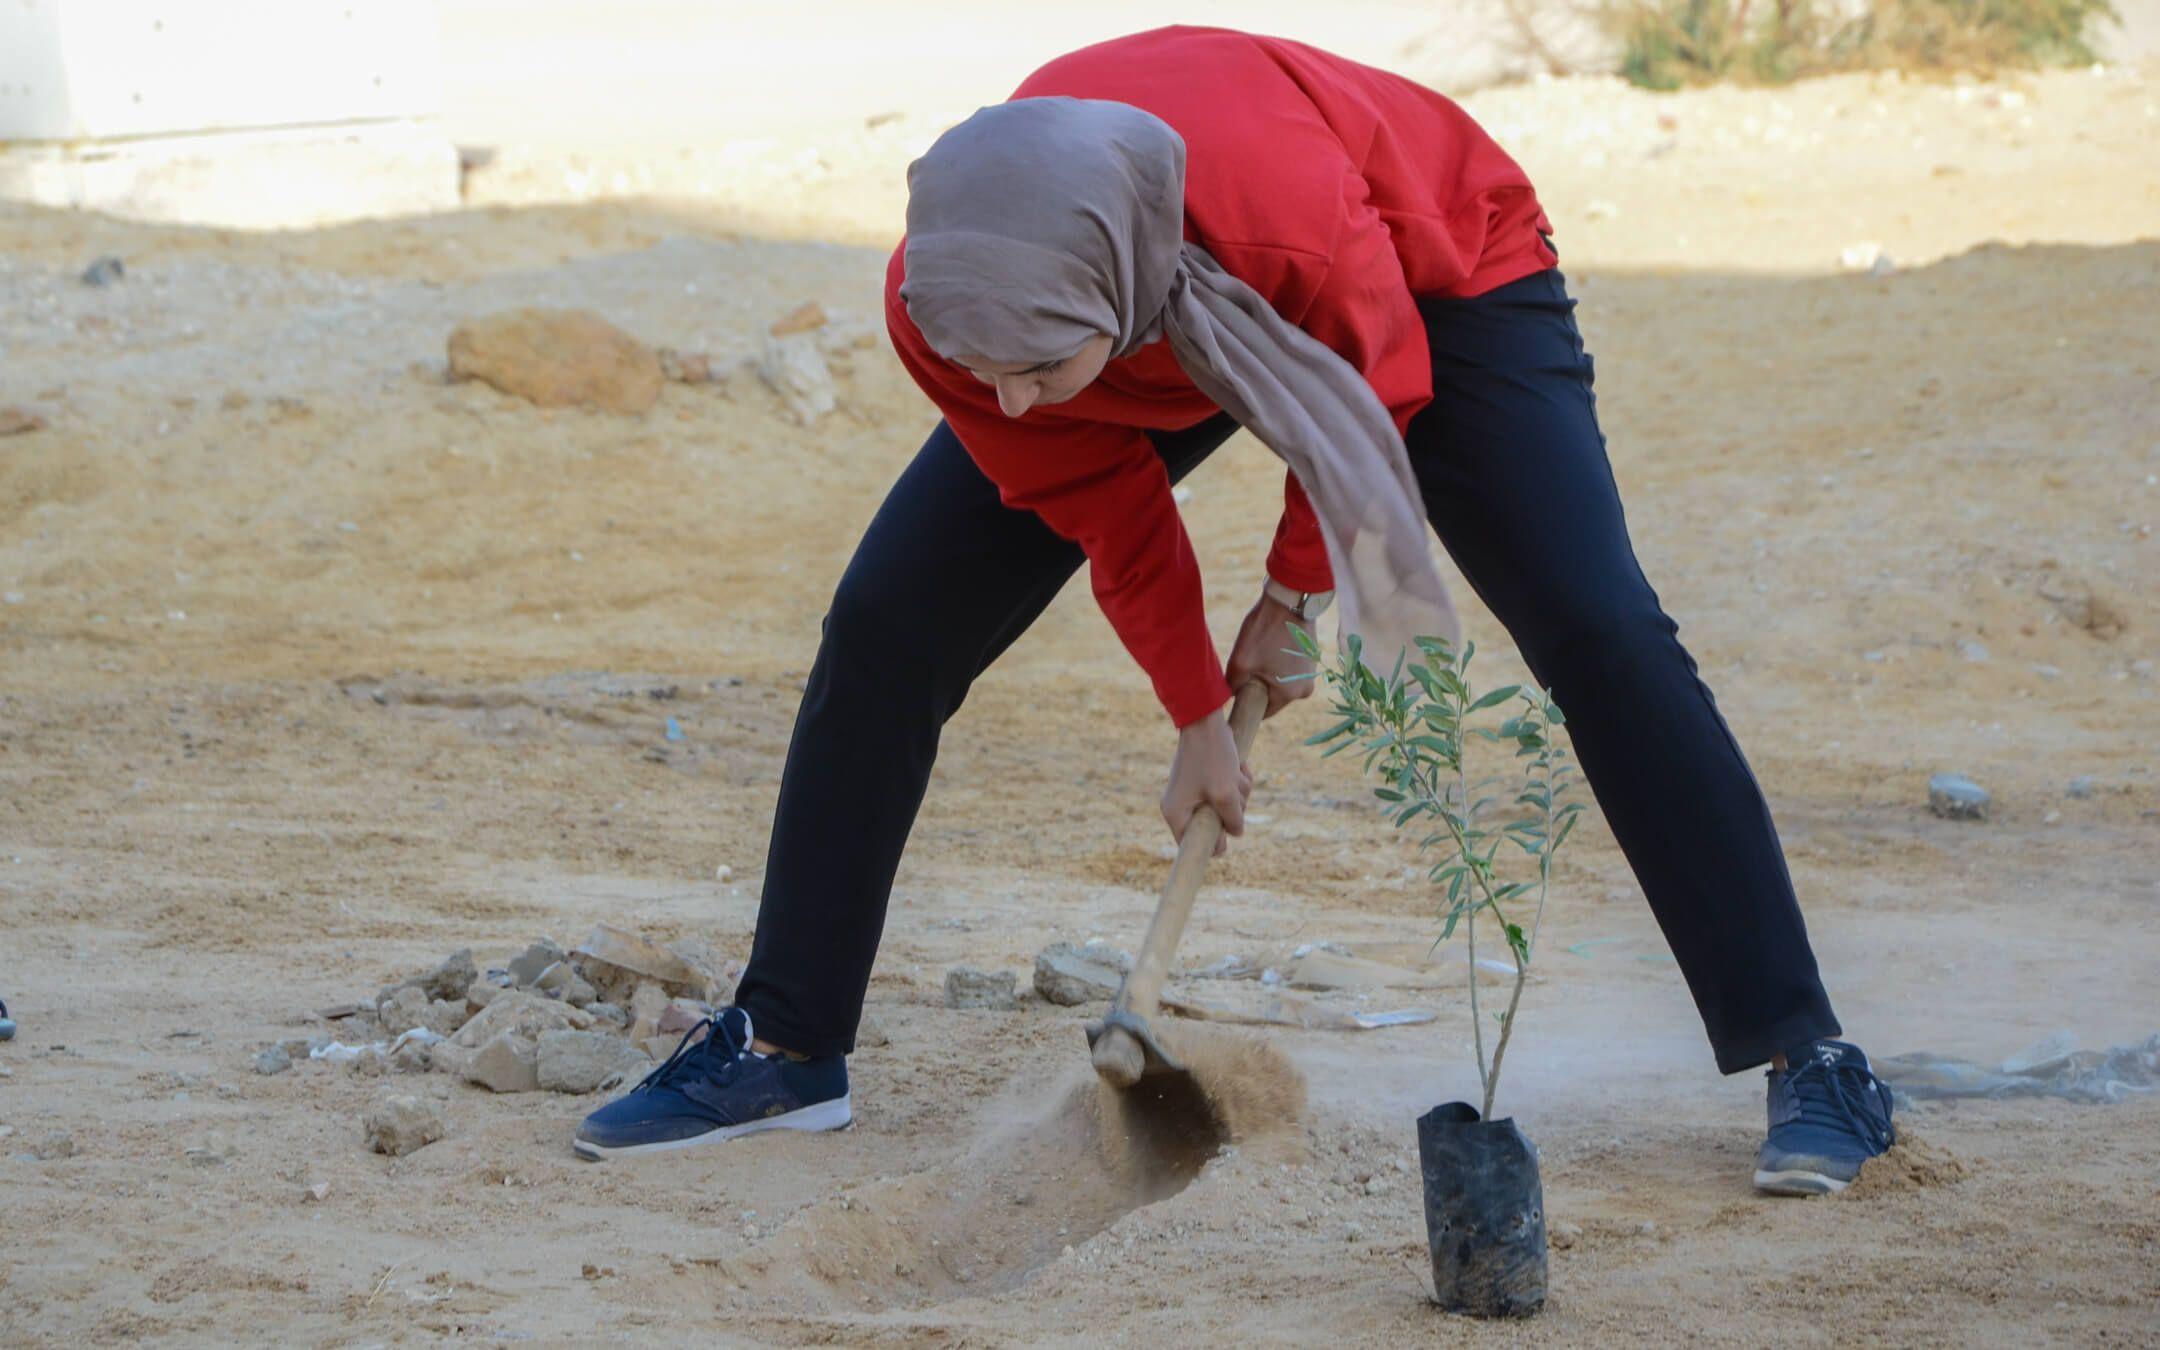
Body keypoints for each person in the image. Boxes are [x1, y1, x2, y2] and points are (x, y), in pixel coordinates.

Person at [576, 25, 1895, 1195]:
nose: (1015, 403)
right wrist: (1199, 716)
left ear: (1103, 303)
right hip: (1133, 300)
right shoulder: (965, 309)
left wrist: (1293, 595)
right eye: (990, 375)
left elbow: (1371, 386)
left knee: (1599, 629)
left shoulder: (1287, 220)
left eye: (1036, 372)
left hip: (1430, 278)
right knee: (887, 623)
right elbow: (1104, 502)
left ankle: (1810, 1047)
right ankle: (788, 1044)